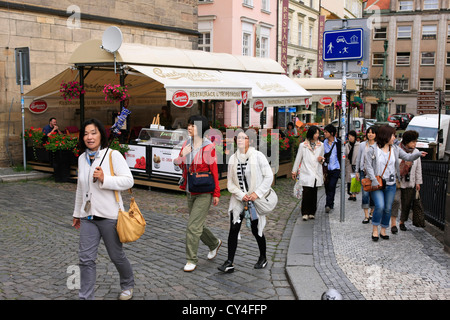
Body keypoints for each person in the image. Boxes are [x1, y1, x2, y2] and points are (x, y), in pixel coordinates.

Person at [72, 118, 135, 300]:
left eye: (93, 133)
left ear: (101, 134)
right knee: (85, 259)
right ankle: (85, 296)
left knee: (116, 256)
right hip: (88, 216)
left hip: (110, 216)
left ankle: (127, 284)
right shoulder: (82, 158)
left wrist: (104, 178)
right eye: (85, 133)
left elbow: (128, 181)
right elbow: (80, 189)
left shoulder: (113, 155)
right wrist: (77, 213)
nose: (89, 137)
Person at [218, 130, 273, 273]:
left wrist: (256, 193)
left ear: (250, 140)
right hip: (238, 200)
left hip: (254, 201)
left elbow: (268, 176)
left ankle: (263, 257)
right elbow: (230, 183)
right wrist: (241, 195)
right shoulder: (233, 159)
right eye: (239, 138)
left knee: (256, 229)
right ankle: (229, 261)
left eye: (244, 138)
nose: (241, 140)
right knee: (234, 229)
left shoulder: (258, 156)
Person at [174, 115, 221, 272]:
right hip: (190, 189)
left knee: (193, 226)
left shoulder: (209, 147)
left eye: (193, 125)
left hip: (205, 191)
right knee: (197, 224)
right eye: (189, 125)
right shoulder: (186, 144)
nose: (189, 128)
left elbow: (214, 171)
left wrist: (216, 193)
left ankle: (191, 259)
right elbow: (178, 166)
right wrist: (183, 155)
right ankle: (214, 243)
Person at [364, 125, 426, 242]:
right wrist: (373, 179)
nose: (394, 138)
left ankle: (383, 229)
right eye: (393, 135)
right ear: (386, 136)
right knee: (380, 206)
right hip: (377, 183)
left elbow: (408, 156)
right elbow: (368, 166)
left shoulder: (395, 149)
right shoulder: (373, 149)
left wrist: (418, 154)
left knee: (387, 208)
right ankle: (375, 229)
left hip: (391, 184)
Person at [291, 126, 325, 220]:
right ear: (311, 134)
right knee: (306, 193)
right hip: (306, 171)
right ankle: (305, 212)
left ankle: (312, 212)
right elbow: (298, 158)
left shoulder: (321, 145)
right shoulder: (303, 145)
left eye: (318, 133)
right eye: (315, 133)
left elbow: (322, 158)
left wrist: (321, 159)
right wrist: (294, 171)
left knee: (314, 193)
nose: (317, 135)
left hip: (316, 172)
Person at [397, 130, 424, 231]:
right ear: (406, 141)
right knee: (395, 201)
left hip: (410, 182)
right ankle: (392, 222)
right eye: (412, 142)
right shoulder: (398, 149)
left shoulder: (416, 152)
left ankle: (402, 221)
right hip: (398, 181)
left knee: (407, 203)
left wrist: (418, 182)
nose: (414, 144)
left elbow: (418, 168)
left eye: (415, 142)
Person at [355, 126, 377, 224]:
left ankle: (372, 212)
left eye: (372, 132)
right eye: (369, 132)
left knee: (373, 194)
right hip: (364, 172)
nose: (370, 134)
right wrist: (357, 171)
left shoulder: (378, 146)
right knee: (365, 194)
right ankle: (366, 215)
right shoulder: (362, 145)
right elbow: (358, 158)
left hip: (374, 173)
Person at [323, 124, 342, 213]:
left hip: (336, 168)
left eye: (326, 132)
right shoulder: (323, 143)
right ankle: (331, 203)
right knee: (327, 187)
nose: (324, 133)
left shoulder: (339, 143)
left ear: (331, 133)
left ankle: (328, 204)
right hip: (327, 169)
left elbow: (341, 155)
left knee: (332, 185)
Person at [345, 130, 360, 201]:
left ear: (355, 137)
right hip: (348, 164)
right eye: (349, 136)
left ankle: (354, 194)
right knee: (349, 180)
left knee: (354, 180)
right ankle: (350, 194)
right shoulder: (347, 145)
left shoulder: (358, 145)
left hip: (355, 164)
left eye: (352, 136)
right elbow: (345, 155)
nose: (350, 138)